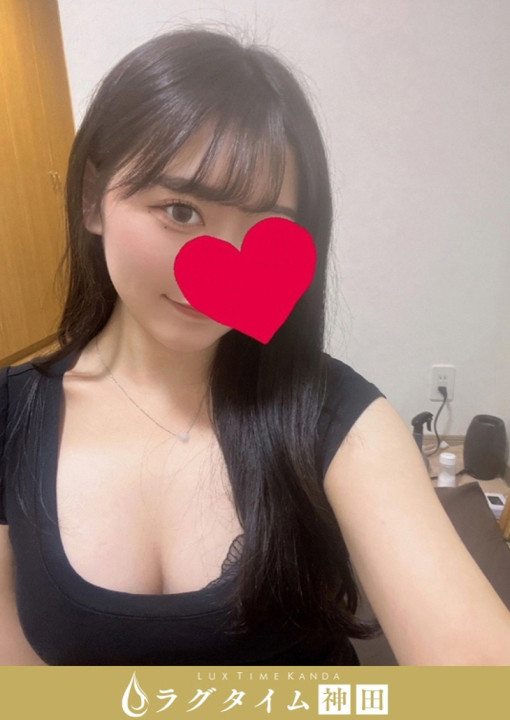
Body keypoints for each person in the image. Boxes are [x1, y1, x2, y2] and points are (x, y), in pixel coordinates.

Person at [1, 26, 510, 667]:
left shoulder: (332, 413)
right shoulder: (11, 416)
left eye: (268, 227)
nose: (218, 270)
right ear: (91, 201)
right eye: (181, 210)